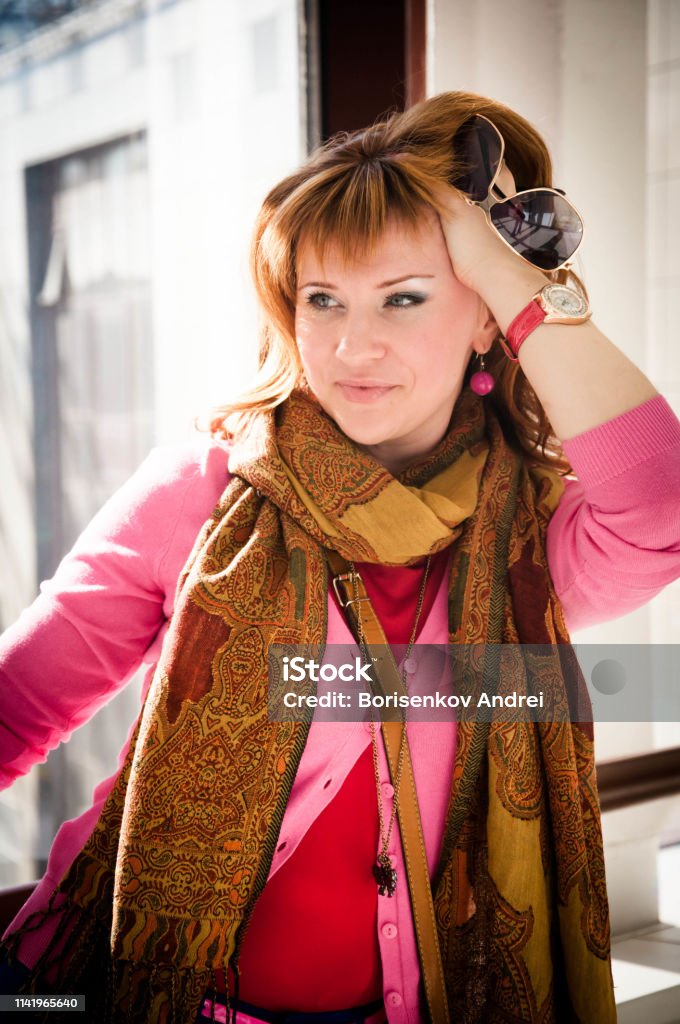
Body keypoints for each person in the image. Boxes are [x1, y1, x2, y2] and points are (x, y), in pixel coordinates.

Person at [1, 89, 679, 1024]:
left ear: (488, 318)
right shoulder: (201, 495)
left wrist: (495, 262)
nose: (353, 345)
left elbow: (661, 506)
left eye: (404, 297)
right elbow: (12, 709)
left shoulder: (529, 541)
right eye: (324, 299)